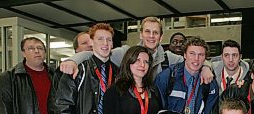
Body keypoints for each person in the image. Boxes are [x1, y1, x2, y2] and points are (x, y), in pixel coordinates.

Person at [60, 17, 213, 83]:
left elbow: (195, 60)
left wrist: (206, 67)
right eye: (147, 31)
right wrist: (73, 60)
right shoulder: (126, 52)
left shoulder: (170, 58)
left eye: (155, 32)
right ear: (141, 34)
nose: (151, 36)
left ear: (161, 37)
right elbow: (98, 54)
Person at [155, 36, 219, 114]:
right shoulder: (167, 77)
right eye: (192, 54)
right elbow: (157, 107)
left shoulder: (210, 83)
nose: (196, 59)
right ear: (184, 55)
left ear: (205, 57)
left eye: (201, 55)